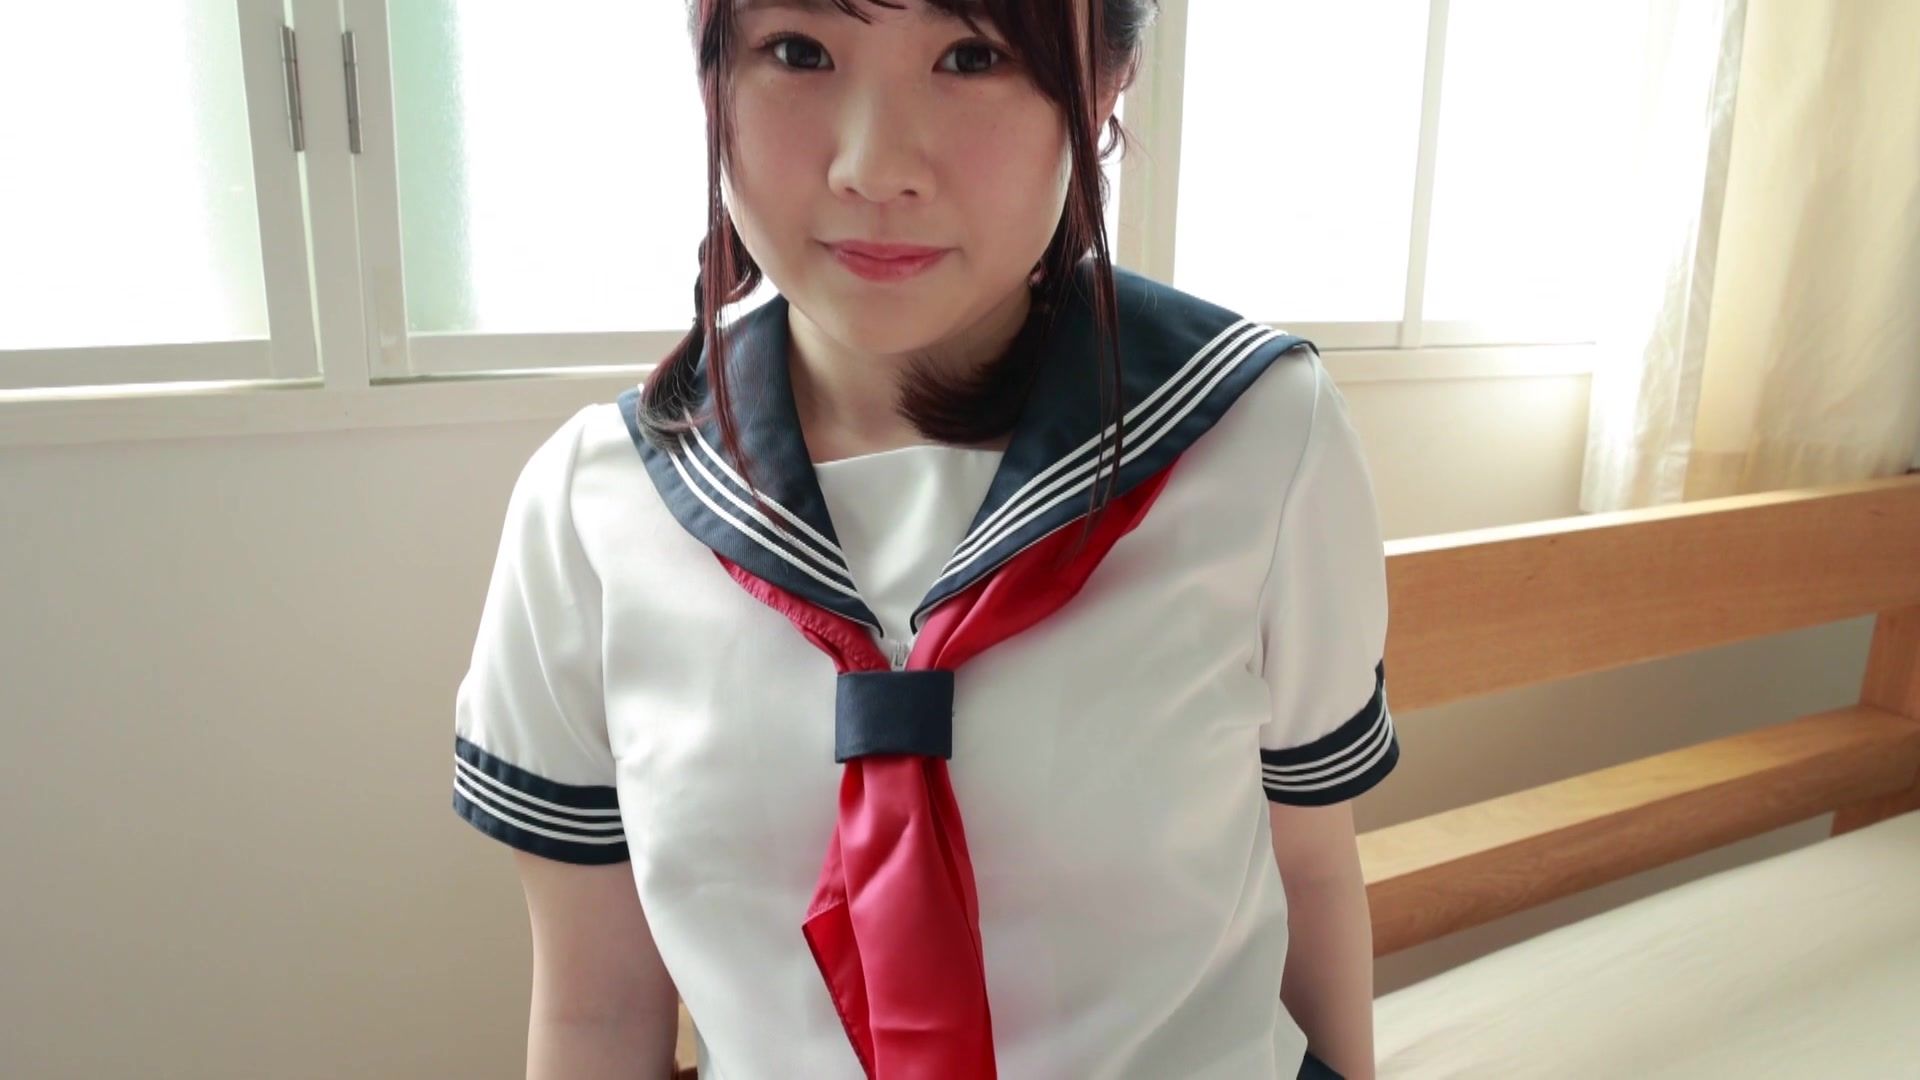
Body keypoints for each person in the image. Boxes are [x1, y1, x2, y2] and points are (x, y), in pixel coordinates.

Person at [450, 1, 1397, 1077]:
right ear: (710, 71)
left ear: (1105, 84)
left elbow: (1309, 868)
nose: (874, 167)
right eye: (799, 51)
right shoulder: (593, 512)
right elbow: (597, 1013)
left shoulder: (1260, 436)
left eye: (972, 56)